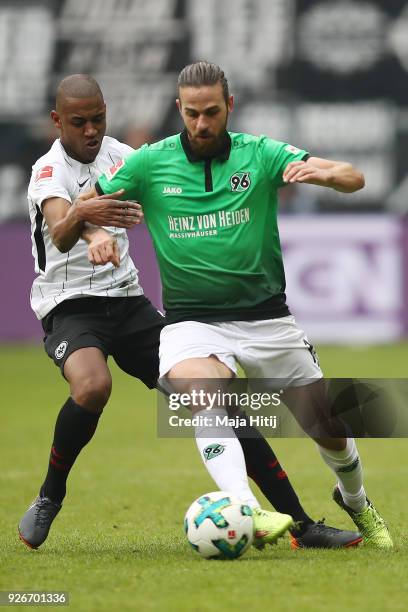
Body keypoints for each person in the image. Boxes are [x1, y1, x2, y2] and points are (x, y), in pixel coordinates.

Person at [18, 74, 360, 551]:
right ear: (58, 122)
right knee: (93, 385)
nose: (91, 130)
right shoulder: (47, 171)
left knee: (216, 398)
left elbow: (147, 187)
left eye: (98, 119)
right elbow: (60, 228)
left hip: (129, 301)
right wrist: (92, 234)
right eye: (79, 122)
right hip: (69, 307)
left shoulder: (125, 158)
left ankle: (299, 524)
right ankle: (49, 496)